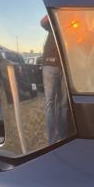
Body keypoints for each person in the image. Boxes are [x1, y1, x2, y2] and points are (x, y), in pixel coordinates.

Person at [40, 14, 71, 142]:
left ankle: (62, 136)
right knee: (50, 102)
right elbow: (43, 22)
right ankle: (52, 139)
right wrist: (55, 12)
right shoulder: (53, 23)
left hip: (66, 67)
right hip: (50, 65)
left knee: (64, 103)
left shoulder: (71, 27)